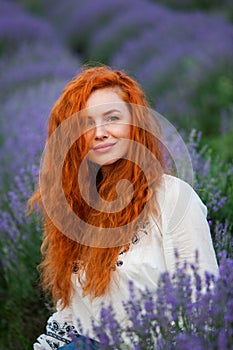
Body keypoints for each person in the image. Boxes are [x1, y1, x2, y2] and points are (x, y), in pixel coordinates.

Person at [29, 65, 218, 349]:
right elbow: (71, 315)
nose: (100, 132)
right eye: (85, 124)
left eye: (112, 118)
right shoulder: (74, 209)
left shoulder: (172, 199)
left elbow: (203, 304)